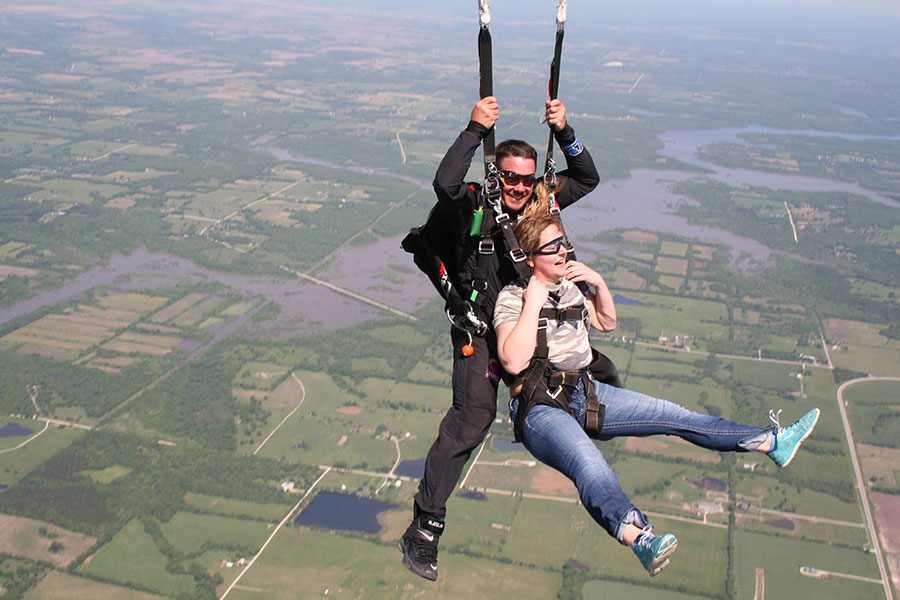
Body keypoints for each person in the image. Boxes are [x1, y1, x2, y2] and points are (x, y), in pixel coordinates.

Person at [492, 211, 821, 576]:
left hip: (586, 393)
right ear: (529, 255)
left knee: (674, 416)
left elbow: (606, 322)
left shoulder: (570, 288)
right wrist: (534, 299)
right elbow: (511, 359)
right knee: (590, 464)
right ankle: (639, 537)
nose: (563, 252)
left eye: (564, 243)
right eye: (552, 247)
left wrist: (597, 283)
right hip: (541, 408)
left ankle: (771, 442)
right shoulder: (514, 297)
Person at [398, 95, 600, 581]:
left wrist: (566, 131)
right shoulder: (473, 202)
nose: (518, 186)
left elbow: (587, 178)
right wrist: (473, 129)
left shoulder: (539, 203)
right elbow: (444, 183)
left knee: (584, 371)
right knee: (474, 416)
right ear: (497, 175)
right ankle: (425, 526)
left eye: (527, 178)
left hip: (522, 321)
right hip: (480, 328)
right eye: (509, 176)